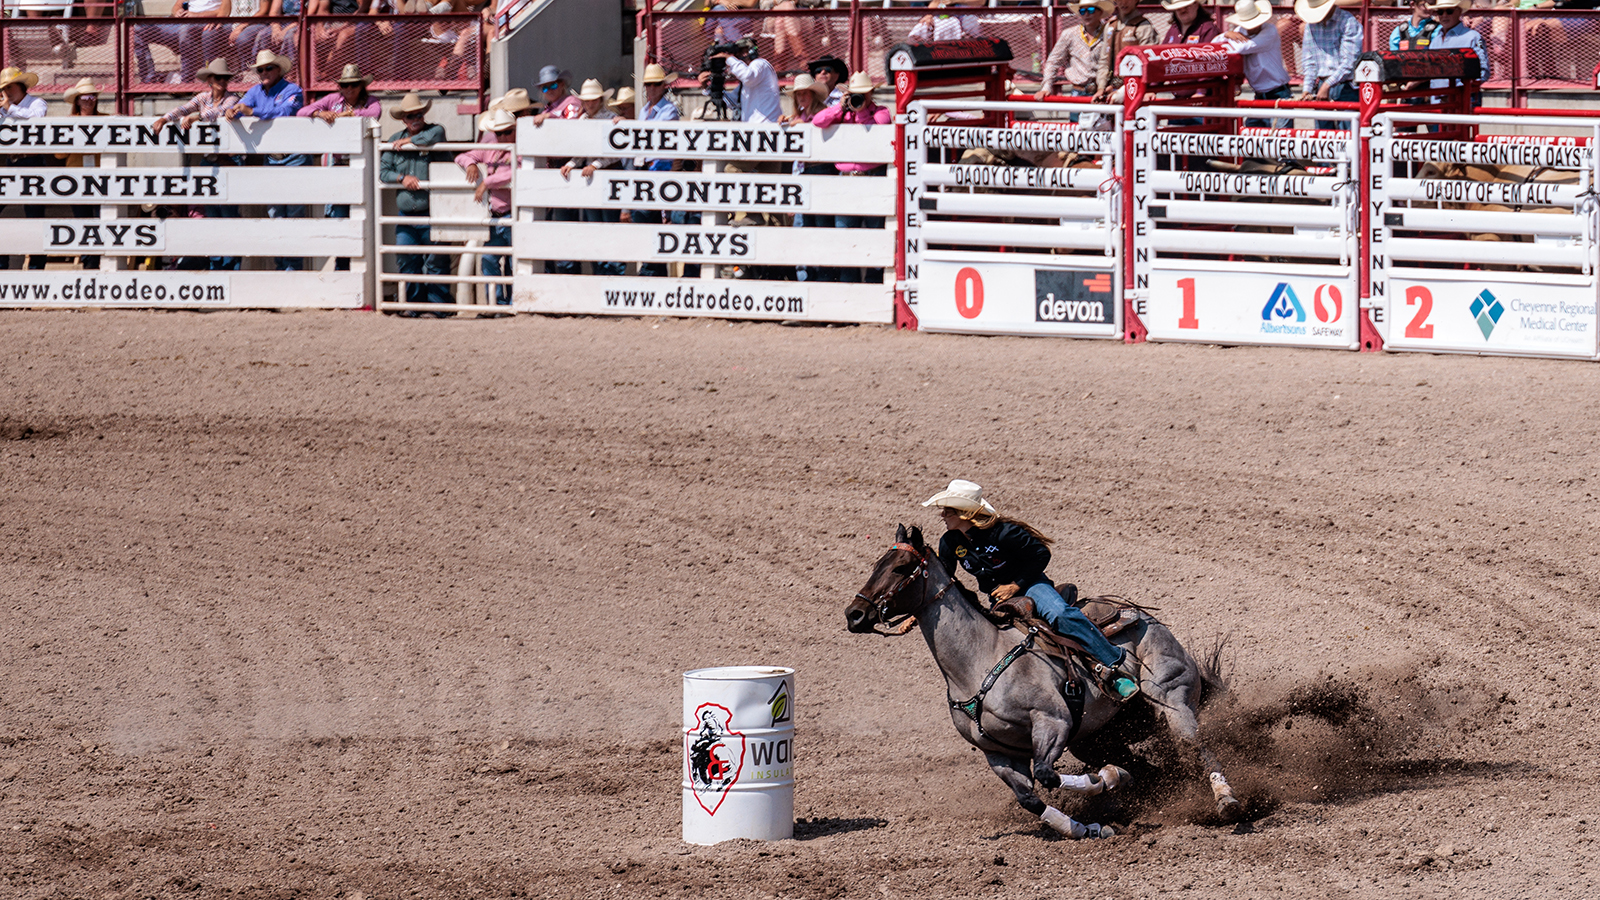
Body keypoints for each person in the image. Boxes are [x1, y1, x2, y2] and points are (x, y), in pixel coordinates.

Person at [922, 480, 1140, 701]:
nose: (942, 516)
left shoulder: (1004, 533)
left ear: (964, 514)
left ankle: (1115, 668)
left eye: (947, 511)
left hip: (1031, 586)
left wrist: (1015, 585)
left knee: (1060, 615)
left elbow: (1040, 554)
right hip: (998, 598)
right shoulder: (950, 542)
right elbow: (946, 577)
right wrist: (920, 608)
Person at [228, 50, 307, 270]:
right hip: (272, 158)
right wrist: (233, 111)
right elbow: (239, 107)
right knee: (275, 215)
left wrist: (250, 110)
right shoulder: (255, 91)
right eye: (260, 69)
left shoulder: (293, 90)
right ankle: (282, 268)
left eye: (268, 68)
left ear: (279, 70)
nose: (263, 72)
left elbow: (286, 111)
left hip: (294, 158)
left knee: (293, 215)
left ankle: (291, 269)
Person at [811, 72, 891, 285]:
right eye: (856, 95)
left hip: (872, 179)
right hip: (847, 180)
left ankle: (873, 283)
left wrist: (861, 111)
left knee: (875, 233)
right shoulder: (842, 113)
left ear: (871, 94)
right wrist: (840, 107)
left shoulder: (881, 112)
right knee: (845, 235)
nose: (859, 98)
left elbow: (880, 130)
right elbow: (819, 121)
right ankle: (849, 285)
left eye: (863, 94)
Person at [299, 64, 380, 271]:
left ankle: (361, 270)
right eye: (345, 85)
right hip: (340, 166)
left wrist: (342, 117)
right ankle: (342, 271)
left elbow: (374, 113)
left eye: (353, 85)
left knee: (362, 220)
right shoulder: (332, 101)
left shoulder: (370, 102)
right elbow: (303, 112)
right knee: (341, 220)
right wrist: (319, 114)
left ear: (361, 86)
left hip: (362, 167)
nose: (349, 89)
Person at [380, 93, 452, 314]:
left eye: (419, 114)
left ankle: (438, 308)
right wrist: (402, 178)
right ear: (404, 119)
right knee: (406, 258)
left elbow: (434, 135)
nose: (415, 119)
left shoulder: (434, 131)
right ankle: (414, 306)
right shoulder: (395, 140)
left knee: (435, 261)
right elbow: (383, 172)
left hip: (432, 211)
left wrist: (408, 141)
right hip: (407, 213)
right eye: (411, 116)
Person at [554, 79, 624, 277]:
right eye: (587, 100)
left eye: (593, 100)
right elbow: (581, 149)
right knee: (594, 228)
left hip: (608, 175)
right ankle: (600, 274)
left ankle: (612, 274)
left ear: (600, 100)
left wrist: (595, 165)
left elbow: (616, 152)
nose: (590, 104)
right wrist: (572, 164)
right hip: (591, 176)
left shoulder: (612, 118)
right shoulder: (582, 120)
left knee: (608, 227)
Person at [456, 106, 516, 305]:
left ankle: (513, 302)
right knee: (490, 259)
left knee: (512, 262)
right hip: (498, 215)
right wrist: (471, 164)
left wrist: (487, 182)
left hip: (513, 214)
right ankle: (497, 303)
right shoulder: (492, 149)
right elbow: (462, 156)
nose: (504, 136)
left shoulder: (522, 148)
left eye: (508, 131)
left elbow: (515, 172)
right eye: (500, 133)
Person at [782, 73, 835, 283]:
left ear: (813, 95)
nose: (802, 97)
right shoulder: (800, 116)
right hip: (807, 171)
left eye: (805, 93)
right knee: (808, 226)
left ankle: (821, 278)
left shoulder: (820, 114)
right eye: (799, 94)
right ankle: (811, 277)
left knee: (819, 225)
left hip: (821, 170)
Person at [0, 68, 48, 271]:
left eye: (9, 87)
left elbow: (37, 118)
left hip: (32, 162)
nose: (6, 92)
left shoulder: (37, 102)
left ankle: (37, 266)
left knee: (34, 214)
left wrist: (10, 109)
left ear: (20, 86)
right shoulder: (3, 108)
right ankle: (2, 263)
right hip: (11, 162)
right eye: (3, 89)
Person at [1215, 0, 1292, 127]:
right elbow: (1216, 43)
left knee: (1279, 138)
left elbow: (1243, 48)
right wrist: (1226, 35)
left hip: (1277, 92)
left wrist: (1227, 37)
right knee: (1252, 133)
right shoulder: (1240, 32)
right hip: (1260, 93)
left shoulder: (1270, 31)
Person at [1295, 0, 1363, 130]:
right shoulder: (1311, 25)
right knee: (1324, 138)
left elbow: (1350, 61)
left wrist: (1326, 85)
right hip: (1324, 84)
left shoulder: (1348, 22)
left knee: (1349, 136)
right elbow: (1309, 59)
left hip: (1345, 85)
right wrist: (1307, 88)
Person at [133, 0, 232, 86]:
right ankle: (149, 80)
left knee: (186, 28)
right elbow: (177, 5)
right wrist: (178, 12)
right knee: (139, 29)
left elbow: (225, 11)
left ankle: (187, 81)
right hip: (185, 21)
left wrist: (197, 15)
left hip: (206, 22)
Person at [1035, 0, 1111, 103]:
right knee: (1076, 119)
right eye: (1082, 11)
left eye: (1091, 10)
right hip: (1078, 92)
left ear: (1100, 12)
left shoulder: (1110, 33)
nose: (1086, 14)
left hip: (1102, 93)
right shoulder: (1069, 34)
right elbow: (1053, 62)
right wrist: (1046, 87)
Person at [1099, 0, 1159, 102]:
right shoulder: (1110, 25)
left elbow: (1148, 62)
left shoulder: (1143, 25)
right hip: (1111, 86)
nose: (1123, 3)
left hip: (1135, 86)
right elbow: (1104, 59)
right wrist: (1101, 87)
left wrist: (1125, 89)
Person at [1429, 0, 1490, 94]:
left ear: (1459, 11)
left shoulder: (1474, 37)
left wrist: (1465, 89)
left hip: (1463, 99)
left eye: (1449, 11)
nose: (1444, 15)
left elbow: (1483, 71)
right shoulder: (1435, 40)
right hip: (1437, 99)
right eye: (1440, 12)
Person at [908, 0, 985, 42]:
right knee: (923, 25)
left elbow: (981, 1)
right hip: (941, 15)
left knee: (970, 23)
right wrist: (929, 15)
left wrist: (952, 1)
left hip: (966, 15)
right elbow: (936, 2)